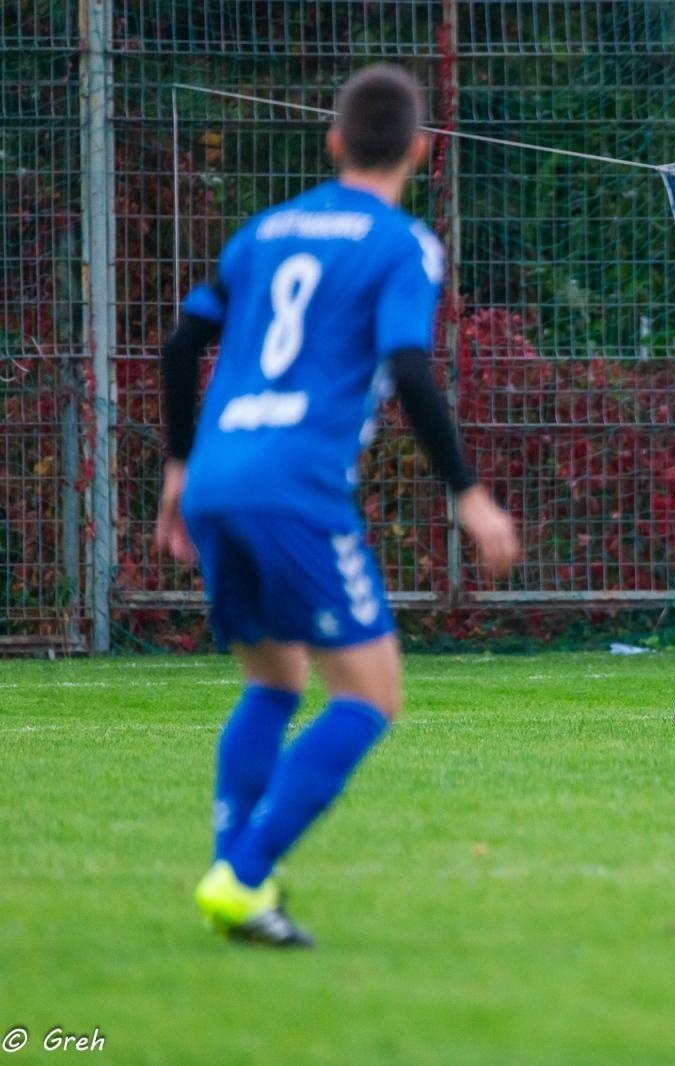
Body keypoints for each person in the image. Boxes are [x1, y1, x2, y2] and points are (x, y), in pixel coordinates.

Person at [155, 64, 521, 946]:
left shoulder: (264, 231)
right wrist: (470, 495)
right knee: (370, 698)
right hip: (297, 489)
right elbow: (406, 366)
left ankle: (243, 878)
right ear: (423, 151)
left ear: (332, 142)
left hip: (216, 479)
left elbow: (179, 344)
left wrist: (176, 471)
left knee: (274, 682)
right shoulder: (401, 245)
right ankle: (241, 876)